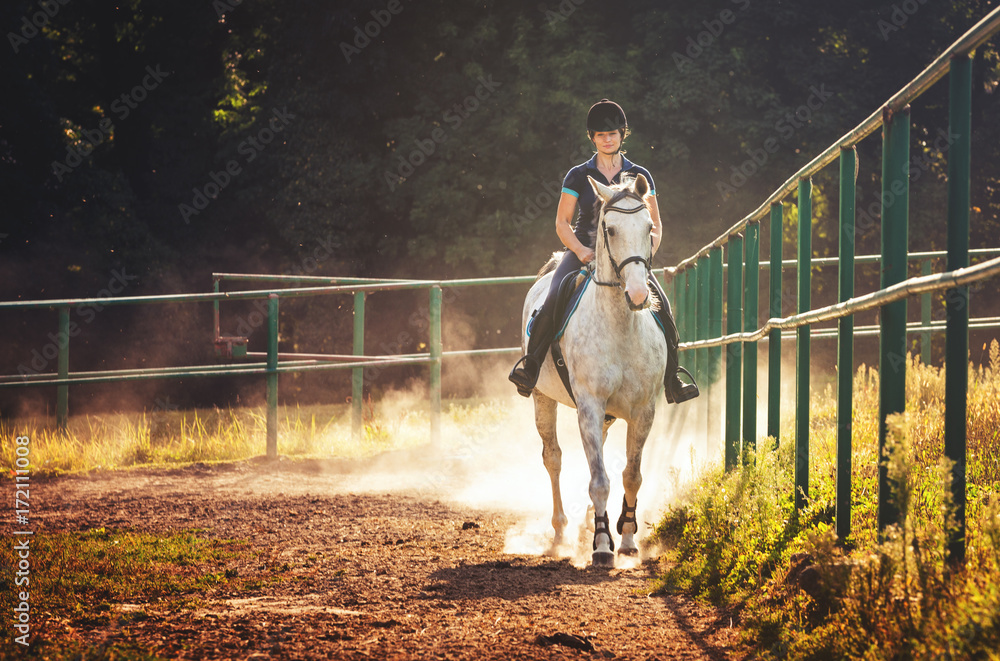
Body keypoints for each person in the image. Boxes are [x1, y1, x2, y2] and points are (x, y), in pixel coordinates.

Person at [508, 99, 699, 404]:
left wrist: (644, 253)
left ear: (623, 135)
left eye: (612, 134)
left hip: (628, 257)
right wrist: (582, 251)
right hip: (584, 248)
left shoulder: (640, 176)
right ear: (592, 138)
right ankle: (531, 367)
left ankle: (673, 377)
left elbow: (656, 224)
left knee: (663, 307)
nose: (607, 139)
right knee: (555, 295)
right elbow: (562, 223)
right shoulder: (577, 176)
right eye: (601, 135)